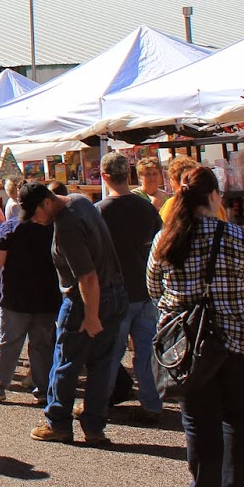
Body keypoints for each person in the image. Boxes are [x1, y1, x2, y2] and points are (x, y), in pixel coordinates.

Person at [149, 163, 244, 487]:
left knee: (199, 420)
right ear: (215, 196)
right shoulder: (238, 236)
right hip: (240, 340)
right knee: (237, 414)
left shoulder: (165, 240)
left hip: (189, 345)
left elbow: (154, 289)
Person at [20, 182, 129, 446]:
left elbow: (88, 276)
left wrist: (91, 316)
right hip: (114, 292)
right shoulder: (79, 201)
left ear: (46, 203)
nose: (36, 220)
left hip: (87, 299)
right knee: (102, 363)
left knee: (66, 362)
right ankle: (93, 427)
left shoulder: (66, 224)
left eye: (35, 213)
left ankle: (58, 423)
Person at [98, 152, 165, 423]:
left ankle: (99, 404)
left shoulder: (100, 211)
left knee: (111, 354)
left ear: (104, 176)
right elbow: (160, 246)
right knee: (147, 354)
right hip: (146, 290)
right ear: (129, 175)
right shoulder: (146, 207)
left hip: (117, 292)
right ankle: (152, 404)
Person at [0, 187, 60, 404]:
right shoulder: (55, 228)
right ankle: (43, 390)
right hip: (47, 297)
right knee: (42, 345)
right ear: (43, 203)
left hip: (15, 296)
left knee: (9, 342)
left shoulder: (10, 229)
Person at [160, 155, 198, 223]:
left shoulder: (173, 203)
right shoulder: (211, 201)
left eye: (170, 179)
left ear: (174, 180)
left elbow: (163, 227)